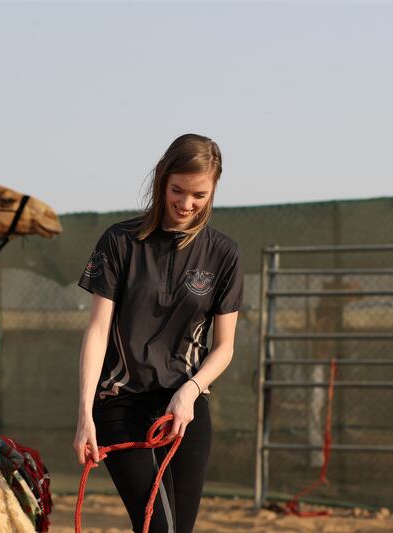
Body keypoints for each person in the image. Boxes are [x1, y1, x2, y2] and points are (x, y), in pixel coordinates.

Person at [72, 133, 244, 533]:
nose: (186, 204)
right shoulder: (119, 242)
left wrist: (191, 391)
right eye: (178, 190)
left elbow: (225, 348)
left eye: (198, 194)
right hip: (121, 403)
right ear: (162, 182)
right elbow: (97, 331)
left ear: (214, 190)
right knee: (157, 528)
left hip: (183, 407)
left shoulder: (224, 254)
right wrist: (84, 414)